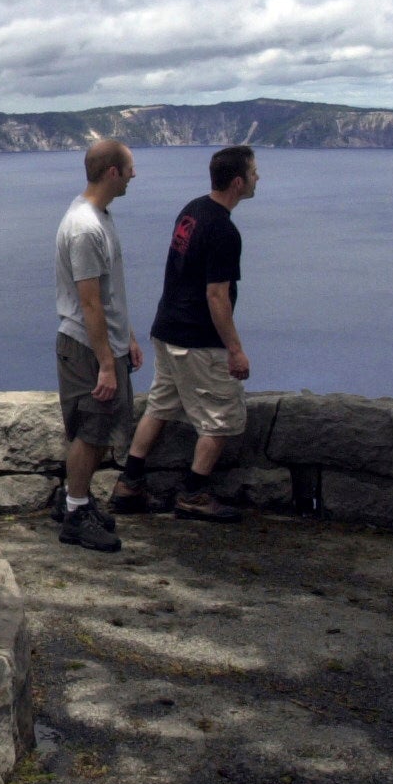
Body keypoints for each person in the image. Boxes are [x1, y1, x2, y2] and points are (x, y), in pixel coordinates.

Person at [114, 145, 259, 523]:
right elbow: (217, 295)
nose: (259, 178)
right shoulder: (224, 231)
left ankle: (129, 484)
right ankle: (193, 495)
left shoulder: (191, 210)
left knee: (161, 404)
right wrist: (235, 350)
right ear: (239, 181)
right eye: (255, 173)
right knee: (221, 417)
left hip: (167, 330)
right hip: (197, 340)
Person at [53, 138, 143, 552]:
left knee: (101, 428)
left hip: (104, 344)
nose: (134, 175)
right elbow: (88, 301)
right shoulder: (86, 228)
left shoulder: (97, 215)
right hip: (88, 349)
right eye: (129, 168)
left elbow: (108, 294)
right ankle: (74, 514)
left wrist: (130, 339)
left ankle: (79, 501)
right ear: (112, 172)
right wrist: (106, 364)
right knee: (91, 431)